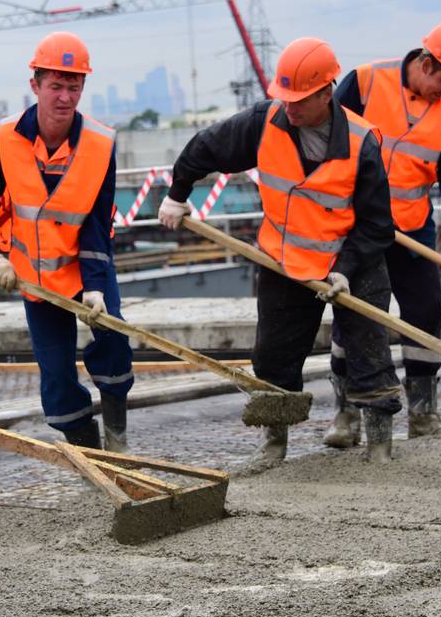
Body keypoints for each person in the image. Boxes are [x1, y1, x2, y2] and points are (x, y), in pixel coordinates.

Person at [158, 38, 401, 466]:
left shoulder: (362, 142)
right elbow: (204, 148)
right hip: (284, 258)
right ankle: (275, 443)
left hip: (352, 260)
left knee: (369, 349)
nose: (289, 108)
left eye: (300, 100)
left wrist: (344, 268)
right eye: (284, 97)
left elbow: (378, 225)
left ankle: (379, 441)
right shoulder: (264, 122)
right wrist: (177, 195)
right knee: (272, 356)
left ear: (326, 93)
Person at [0, 32, 133, 453]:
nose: (65, 97)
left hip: (84, 272)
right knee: (56, 378)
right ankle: (92, 456)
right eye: (55, 86)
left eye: (73, 87)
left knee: (114, 346)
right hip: (35, 278)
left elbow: (97, 220)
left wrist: (94, 285)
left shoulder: (100, 144)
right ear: (35, 85)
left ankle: (117, 441)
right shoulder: (3, 138)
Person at [328, 21, 441, 445]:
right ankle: (346, 415)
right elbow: (327, 146)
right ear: (426, 63)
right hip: (358, 232)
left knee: (427, 314)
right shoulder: (364, 83)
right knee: (352, 321)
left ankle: (423, 412)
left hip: (411, 230)